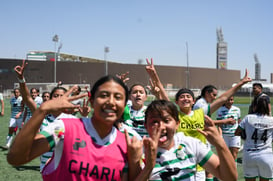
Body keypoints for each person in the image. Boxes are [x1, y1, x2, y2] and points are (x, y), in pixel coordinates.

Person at [7, 75, 141, 181]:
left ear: (124, 106)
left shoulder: (128, 142)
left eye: (118, 97)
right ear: (92, 102)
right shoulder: (64, 128)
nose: (111, 102)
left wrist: (138, 162)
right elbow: (15, 158)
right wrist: (42, 110)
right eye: (104, 95)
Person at [135, 100, 237, 181]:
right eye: (154, 122)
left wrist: (220, 145)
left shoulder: (190, 144)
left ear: (177, 123)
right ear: (146, 126)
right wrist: (149, 167)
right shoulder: (139, 151)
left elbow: (230, 178)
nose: (161, 127)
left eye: (166, 120)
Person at [235, 96, 273, 181]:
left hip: (249, 154)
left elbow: (237, 132)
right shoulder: (271, 120)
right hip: (266, 155)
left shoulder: (248, 118)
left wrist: (246, 135)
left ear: (255, 106)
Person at [216, 96, 241, 161]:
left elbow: (239, 121)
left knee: (234, 154)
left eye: (231, 100)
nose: (230, 102)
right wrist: (220, 135)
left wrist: (240, 132)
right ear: (225, 101)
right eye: (228, 100)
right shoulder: (220, 110)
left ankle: (233, 169)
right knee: (224, 155)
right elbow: (219, 124)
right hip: (225, 135)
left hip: (235, 135)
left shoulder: (237, 109)